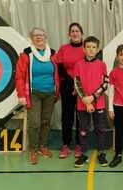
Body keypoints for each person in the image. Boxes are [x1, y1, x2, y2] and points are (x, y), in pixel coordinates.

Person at [15, 27, 59, 164]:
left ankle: (42, 146)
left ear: (45, 37)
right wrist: (21, 94)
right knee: (34, 123)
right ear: (31, 38)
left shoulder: (53, 54)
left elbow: (58, 73)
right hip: (33, 93)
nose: (39, 37)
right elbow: (19, 76)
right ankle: (33, 149)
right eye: (35, 35)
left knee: (46, 121)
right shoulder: (26, 54)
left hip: (50, 93)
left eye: (41, 35)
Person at [73, 36, 109, 167]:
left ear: (97, 49)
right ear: (84, 48)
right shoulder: (78, 64)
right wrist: (85, 101)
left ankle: (101, 153)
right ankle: (83, 154)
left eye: (93, 47)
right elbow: (77, 83)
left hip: (98, 103)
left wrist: (93, 98)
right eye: (88, 47)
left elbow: (105, 84)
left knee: (100, 129)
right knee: (83, 129)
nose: (91, 50)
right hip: (82, 104)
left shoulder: (102, 64)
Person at [54, 22, 84, 159]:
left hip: (83, 87)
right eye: (72, 31)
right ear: (69, 34)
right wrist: (72, 83)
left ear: (81, 33)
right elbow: (60, 68)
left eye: (77, 31)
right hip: (67, 86)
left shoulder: (86, 47)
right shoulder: (63, 48)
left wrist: (78, 85)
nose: (75, 33)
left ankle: (79, 145)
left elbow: (89, 67)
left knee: (80, 117)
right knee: (67, 116)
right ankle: (66, 145)